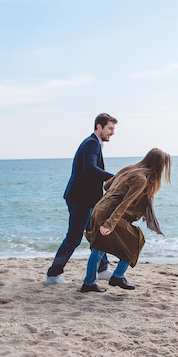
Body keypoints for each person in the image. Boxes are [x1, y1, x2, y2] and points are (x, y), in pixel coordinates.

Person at [80, 148, 172, 292]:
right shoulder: (141, 179)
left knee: (99, 247)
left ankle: (89, 283)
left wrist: (118, 189)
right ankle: (117, 276)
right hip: (109, 214)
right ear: (158, 165)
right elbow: (126, 203)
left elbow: (107, 185)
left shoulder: (130, 169)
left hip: (99, 208)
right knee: (136, 239)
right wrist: (110, 224)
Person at [45, 113, 118, 285]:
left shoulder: (95, 144)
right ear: (99, 127)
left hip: (88, 199)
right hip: (79, 200)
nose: (112, 133)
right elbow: (90, 168)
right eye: (110, 128)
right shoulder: (91, 143)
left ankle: (103, 269)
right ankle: (53, 275)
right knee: (74, 238)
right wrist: (114, 178)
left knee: (96, 233)